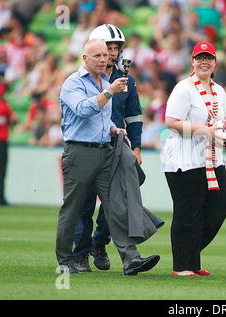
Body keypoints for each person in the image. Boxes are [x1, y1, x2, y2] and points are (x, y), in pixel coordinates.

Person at [56, 39, 159, 275]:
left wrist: (113, 130)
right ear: (85, 59)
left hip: (105, 150)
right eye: (97, 56)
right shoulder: (73, 83)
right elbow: (83, 110)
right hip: (79, 152)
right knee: (72, 209)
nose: (103, 59)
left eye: (105, 55)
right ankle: (65, 260)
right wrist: (109, 91)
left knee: (116, 205)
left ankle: (130, 258)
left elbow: (102, 118)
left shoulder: (103, 81)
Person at [161, 42, 226, 276]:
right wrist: (206, 131)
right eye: (200, 57)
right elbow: (171, 122)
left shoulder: (219, 90)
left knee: (222, 204)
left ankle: (189, 256)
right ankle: (183, 265)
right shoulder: (184, 88)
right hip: (184, 158)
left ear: (215, 62)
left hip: (211, 158)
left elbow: (220, 122)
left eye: (208, 58)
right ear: (192, 61)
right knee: (187, 211)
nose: (204, 62)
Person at [0, 83, 17, 206]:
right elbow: (13, 120)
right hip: (0, 143)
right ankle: (0, 198)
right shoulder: (4, 106)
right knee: (1, 172)